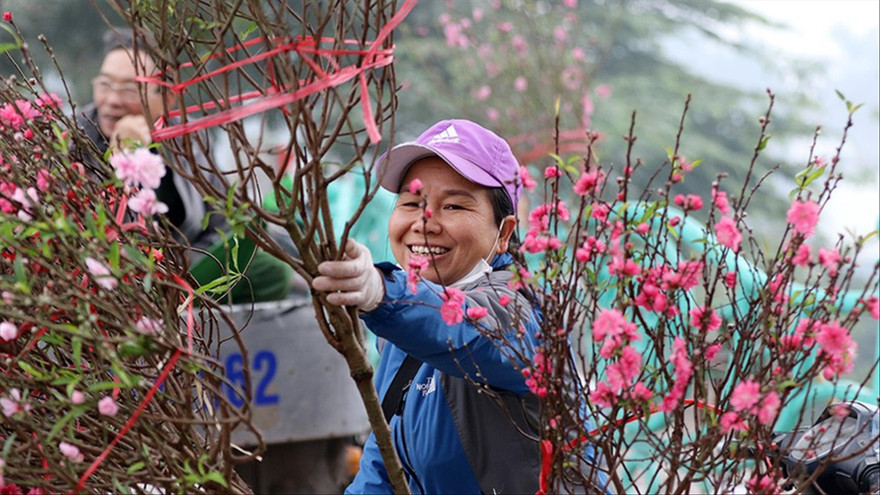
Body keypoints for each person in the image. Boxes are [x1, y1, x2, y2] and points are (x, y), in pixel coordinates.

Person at [312, 119, 546, 494]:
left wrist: (382, 293)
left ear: (503, 233)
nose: (424, 223)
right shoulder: (400, 332)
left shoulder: (519, 310)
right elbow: (383, 469)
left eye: (453, 205)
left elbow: (465, 328)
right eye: (411, 202)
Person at [77, 29, 291, 303]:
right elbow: (96, 232)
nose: (112, 100)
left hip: (184, 266)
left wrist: (185, 263)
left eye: (130, 89)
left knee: (272, 273)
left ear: (167, 97)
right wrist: (122, 156)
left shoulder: (189, 138)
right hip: (114, 276)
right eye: (105, 85)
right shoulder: (74, 137)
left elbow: (220, 222)